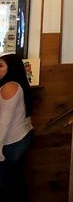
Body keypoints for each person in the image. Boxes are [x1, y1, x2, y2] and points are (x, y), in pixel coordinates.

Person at [0, 53, 34, 199]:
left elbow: (4, 123)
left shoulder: (10, 87)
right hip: (22, 136)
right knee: (15, 177)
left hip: (12, 140)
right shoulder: (16, 84)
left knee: (6, 181)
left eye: (1, 66)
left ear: (11, 68)